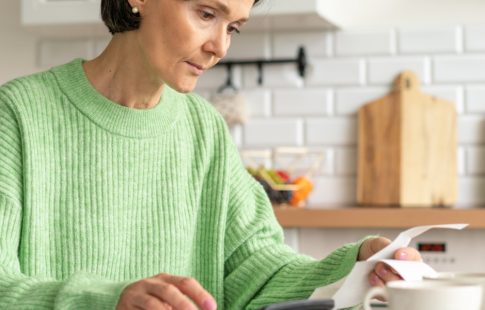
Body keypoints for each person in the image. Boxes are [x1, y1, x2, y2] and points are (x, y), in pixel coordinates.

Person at [0, 0, 421, 309]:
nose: (220, 47)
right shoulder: (17, 115)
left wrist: (354, 267)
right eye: (206, 14)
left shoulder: (204, 128)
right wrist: (111, 302)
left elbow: (255, 271)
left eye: (233, 27)